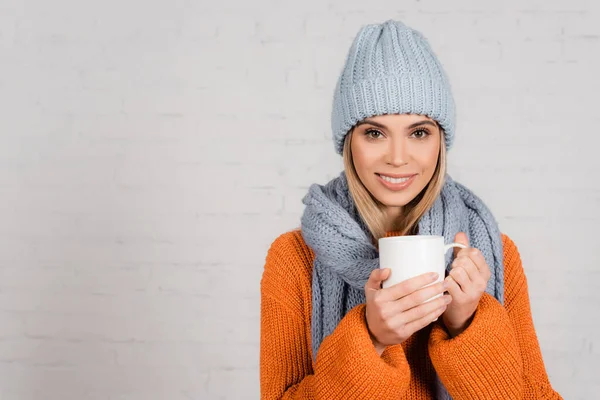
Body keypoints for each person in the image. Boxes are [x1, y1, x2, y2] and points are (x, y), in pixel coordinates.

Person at [259, 19, 562, 399]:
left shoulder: (494, 255)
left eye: (419, 133)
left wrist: (466, 324)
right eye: (374, 133)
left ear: (440, 142)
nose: (398, 158)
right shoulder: (294, 258)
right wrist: (371, 340)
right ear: (348, 143)